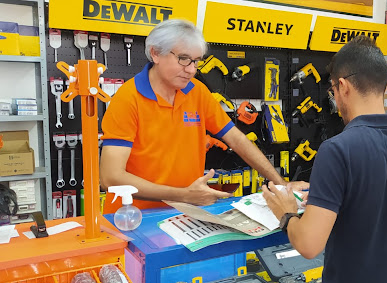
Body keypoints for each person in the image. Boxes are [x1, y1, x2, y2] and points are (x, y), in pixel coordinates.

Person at [261, 36, 387, 283]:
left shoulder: (336, 150)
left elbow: (308, 245)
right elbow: (378, 208)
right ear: (383, 85)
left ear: (342, 86)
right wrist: (327, 200)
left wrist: (286, 212)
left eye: (333, 90)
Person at [100, 19, 292, 213]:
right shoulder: (127, 99)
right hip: (133, 218)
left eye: (196, 61)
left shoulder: (197, 92)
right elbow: (111, 177)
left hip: (184, 214)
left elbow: (236, 139)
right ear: (155, 53)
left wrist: (281, 184)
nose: (191, 70)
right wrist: (183, 194)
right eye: (183, 59)